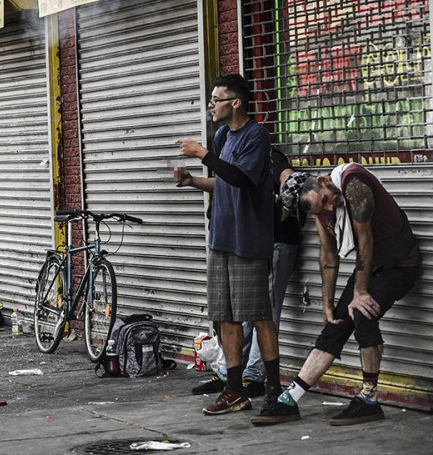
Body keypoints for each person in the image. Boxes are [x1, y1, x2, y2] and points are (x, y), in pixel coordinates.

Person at [253, 164, 421, 426]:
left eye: (326, 201)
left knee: (363, 315)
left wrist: (360, 291)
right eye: (321, 209)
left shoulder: (354, 184)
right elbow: (328, 255)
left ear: (322, 181)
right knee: (336, 325)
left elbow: (365, 239)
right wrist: (328, 305)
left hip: (400, 265)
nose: (329, 208)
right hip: (371, 267)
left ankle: (368, 400)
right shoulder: (322, 211)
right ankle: (290, 400)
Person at [174, 74, 281, 415]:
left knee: (259, 315)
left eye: (216, 99)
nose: (211, 105)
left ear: (235, 102)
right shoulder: (222, 136)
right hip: (221, 237)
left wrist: (202, 153)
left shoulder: (256, 136)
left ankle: (275, 392)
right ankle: (235, 390)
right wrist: (193, 181)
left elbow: (240, 177)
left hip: (248, 239)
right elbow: (223, 182)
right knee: (227, 318)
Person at [193, 147, 304, 398]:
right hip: (246, 242)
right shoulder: (233, 158)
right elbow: (224, 186)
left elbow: (288, 176)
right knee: (242, 311)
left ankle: (254, 376)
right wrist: (192, 181)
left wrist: (284, 208)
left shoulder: (267, 155)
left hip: (275, 241)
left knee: (266, 312)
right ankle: (230, 373)